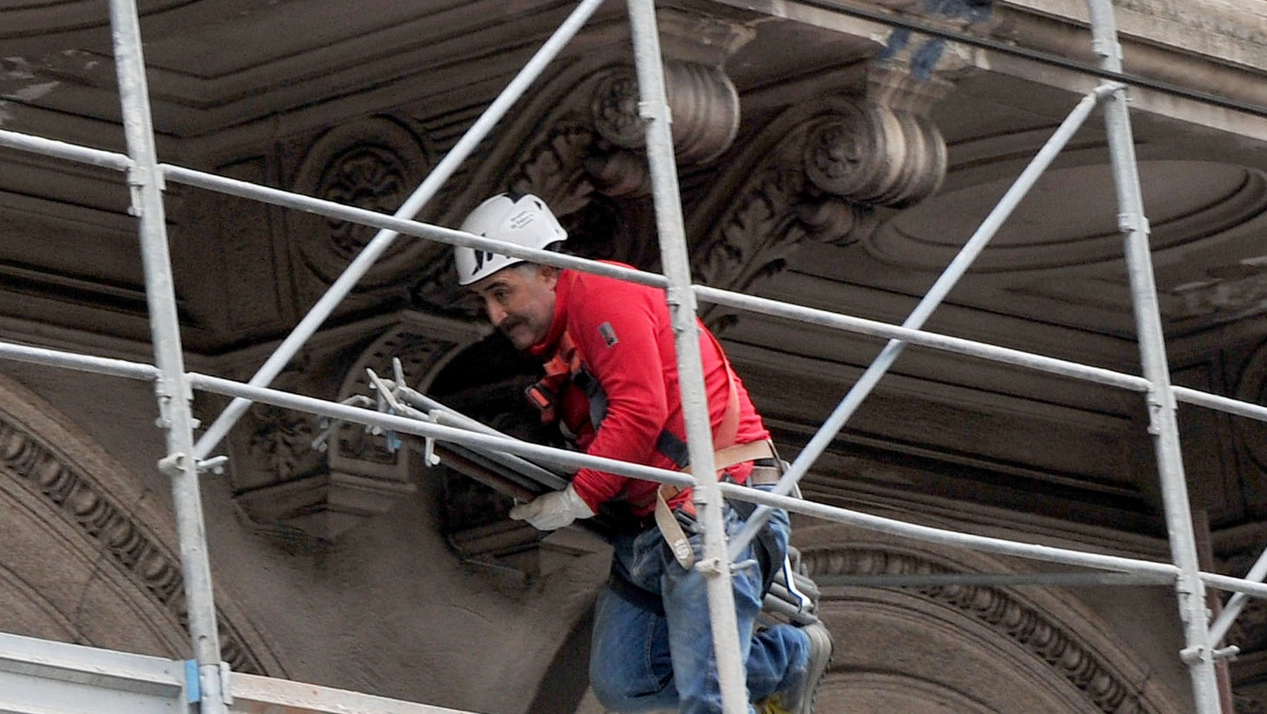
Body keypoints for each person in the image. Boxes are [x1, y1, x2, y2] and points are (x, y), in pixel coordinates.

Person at [454, 192, 832, 714]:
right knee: (626, 684)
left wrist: (575, 499)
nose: (495, 314)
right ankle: (785, 658)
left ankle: (785, 659)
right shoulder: (567, 349)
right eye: (484, 301)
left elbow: (639, 409)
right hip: (653, 527)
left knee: (709, 698)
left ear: (547, 269)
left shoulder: (601, 291)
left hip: (714, 505)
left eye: (501, 292)